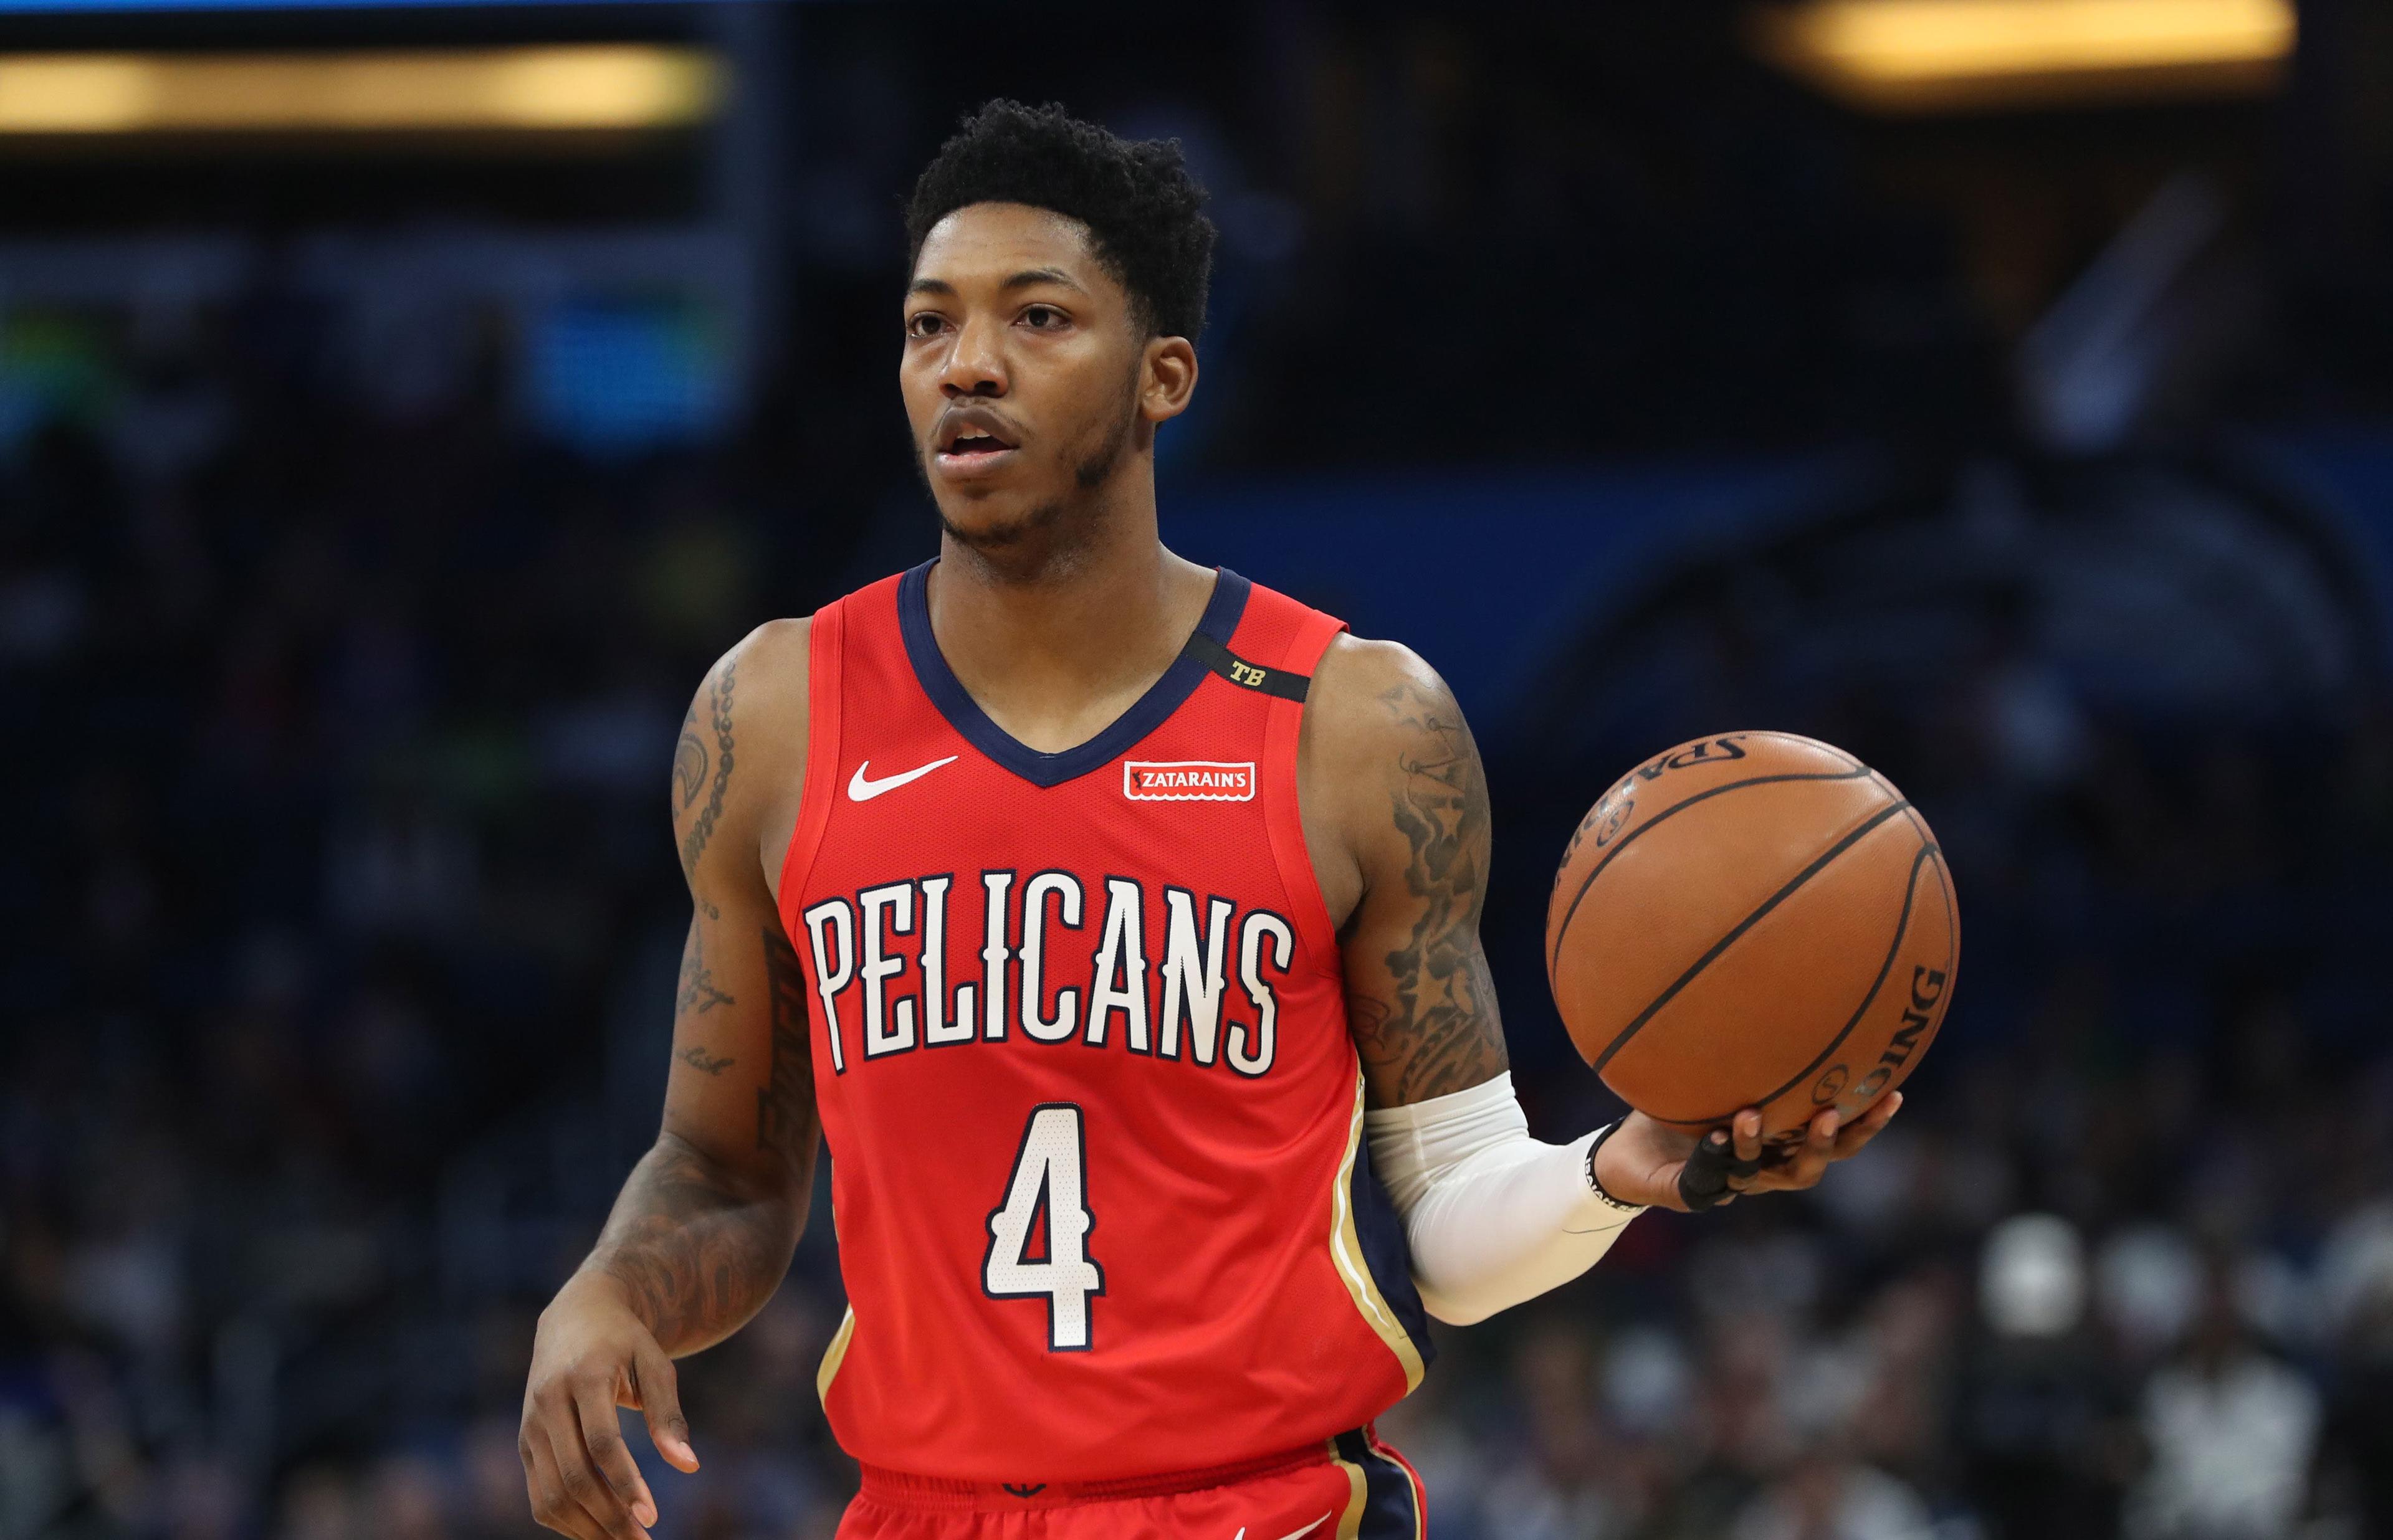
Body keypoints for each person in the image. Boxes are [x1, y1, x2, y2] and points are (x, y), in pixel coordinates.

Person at [520, 100, 1901, 1540]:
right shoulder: (775, 714)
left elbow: (1453, 1219)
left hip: (1264, 1513)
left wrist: (1622, 1173)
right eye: (931, 327)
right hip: (927, 1514)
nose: (968, 366)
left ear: (1164, 375)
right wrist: (611, 1289)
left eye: (1038, 318)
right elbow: (723, 1171)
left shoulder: (1359, 724)